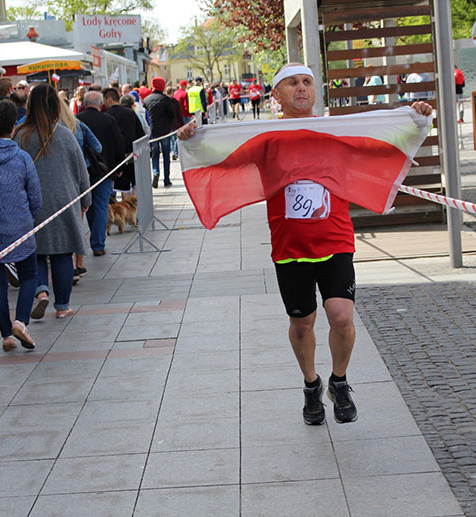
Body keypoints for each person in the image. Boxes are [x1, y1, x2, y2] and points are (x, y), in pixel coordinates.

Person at [178, 63, 432, 425]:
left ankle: (339, 382)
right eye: (292, 83)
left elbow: (377, 143)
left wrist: (412, 118)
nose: (301, 88)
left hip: (336, 240)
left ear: (316, 90)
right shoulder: (265, 138)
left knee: (341, 317)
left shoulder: (333, 132)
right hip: (290, 248)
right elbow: (221, 158)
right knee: (302, 324)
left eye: (307, 82)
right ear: (277, 95)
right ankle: (311, 385)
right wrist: (192, 136)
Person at [14, 84, 91, 319]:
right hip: (63, 202)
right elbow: (81, 172)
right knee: (62, 254)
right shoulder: (65, 134)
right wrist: (85, 199)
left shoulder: (20, 134)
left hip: (30, 203)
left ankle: (41, 292)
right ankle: (62, 306)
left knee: (35, 253)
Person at [0, 99, 42, 351]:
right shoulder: (22, 158)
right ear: (13, 127)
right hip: (20, 226)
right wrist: (28, 216)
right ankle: (21, 321)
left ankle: (6, 334)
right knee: (29, 274)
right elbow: (35, 197)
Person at [58, 98, 102, 282]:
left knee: (61, 224)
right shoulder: (78, 125)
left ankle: (67, 264)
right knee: (78, 222)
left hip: (57, 179)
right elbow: (98, 147)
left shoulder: (49, 128)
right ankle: (79, 264)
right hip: (79, 176)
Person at [77, 91, 125, 256]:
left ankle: (94, 238)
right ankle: (98, 243)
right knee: (101, 205)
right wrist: (119, 168)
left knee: (87, 205)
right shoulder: (108, 120)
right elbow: (119, 144)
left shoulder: (77, 120)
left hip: (83, 170)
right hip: (105, 170)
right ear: (100, 103)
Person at [102, 87, 144, 193]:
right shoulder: (130, 113)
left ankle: (125, 207)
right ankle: (135, 207)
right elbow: (140, 133)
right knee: (135, 183)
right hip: (133, 153)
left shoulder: (107, 116)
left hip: (117, 157)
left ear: (109, 99)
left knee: (123, 188)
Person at [143, 76, 175, 188]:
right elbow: (172, 115)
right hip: (165, 131)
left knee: (155, 155)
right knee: (166, 155)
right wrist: (169, 126)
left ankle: (156, 172)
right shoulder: (166, 100)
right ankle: (166, 179)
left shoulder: (146, 100)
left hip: (153, 132)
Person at [165, 86, 184, 159]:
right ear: (172, 93)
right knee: (176, 139)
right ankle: (175, 152)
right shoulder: (176, 102)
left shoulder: (164, 102)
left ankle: (172, 151)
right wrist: (181, 123)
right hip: (176, 123)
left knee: (170, 139)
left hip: (168, 124)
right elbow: (179, 113)